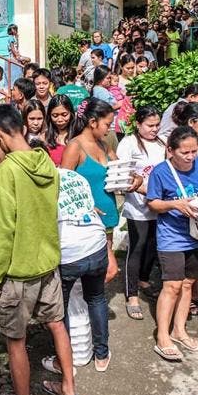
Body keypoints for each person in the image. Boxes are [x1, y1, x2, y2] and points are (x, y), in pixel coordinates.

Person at [0, 105, 81, 395]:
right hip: (48, 264)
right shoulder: (47, 164)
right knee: (57, 324)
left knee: (15, 341)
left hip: (19, 272)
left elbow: (1, 230)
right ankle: (68, 390)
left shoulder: (7, 172)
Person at [148, 126, 198, 361]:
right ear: (170, 151)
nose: (191, 157)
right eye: (185, 153)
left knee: (187, 284)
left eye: (194, 151)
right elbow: (153, 203)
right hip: (171, 237)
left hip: (196, 236)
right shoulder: (160, 172)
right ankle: (162, 336)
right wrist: (175, 205)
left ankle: (179, 329)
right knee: (172, 286)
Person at [61, 99, 141, 285]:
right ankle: (83, 305)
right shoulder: (75, 146)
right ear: (92, 122)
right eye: (107, 124)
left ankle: (89, 305)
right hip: (86, 221)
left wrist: (136, 178)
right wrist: (86, 206)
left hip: (108, 218)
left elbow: (122, 169)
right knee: (108, 270)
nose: (109, 128)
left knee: (100, 271)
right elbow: (64, 185)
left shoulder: (105, 145)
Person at [42, 167, 112, 374]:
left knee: (59, 309)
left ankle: (64, 362)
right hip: (96, 243)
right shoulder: (74, 175)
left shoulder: (42, 183)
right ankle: (101, 355)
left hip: (69, 251)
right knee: (96, 298)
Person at [117, 106, 166, 320]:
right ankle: (132, 294)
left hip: (160, 205)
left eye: (157, 125)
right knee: (137, 247)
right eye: (150, 125)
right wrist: (147, 191)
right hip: (138, 206)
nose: (154, 129)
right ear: (138, 124)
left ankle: (144, 279)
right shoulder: (129, 143)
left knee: (153, 245)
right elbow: (124, 175)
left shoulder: (163, 142)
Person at [46, 94, 76, 167]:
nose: (60, 120)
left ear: (71, 114)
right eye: (55, 116)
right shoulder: (45, 137)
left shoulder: (78, 135)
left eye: (64, 115)